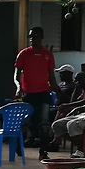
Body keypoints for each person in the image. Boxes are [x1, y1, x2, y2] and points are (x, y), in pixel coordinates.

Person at [14, 27, 56, 158]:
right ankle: (19, 146)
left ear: (42, 37)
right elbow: (16, 75)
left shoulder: (48, 55)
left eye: (36, 36)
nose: (33, 39)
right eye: (31, 36)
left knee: (44, 123)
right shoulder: (23, 54)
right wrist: (18, 87)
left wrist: (56, 90)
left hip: (43, 94)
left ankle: (43, 152)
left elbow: (52, 76)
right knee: (24, 122)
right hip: (28, 94)